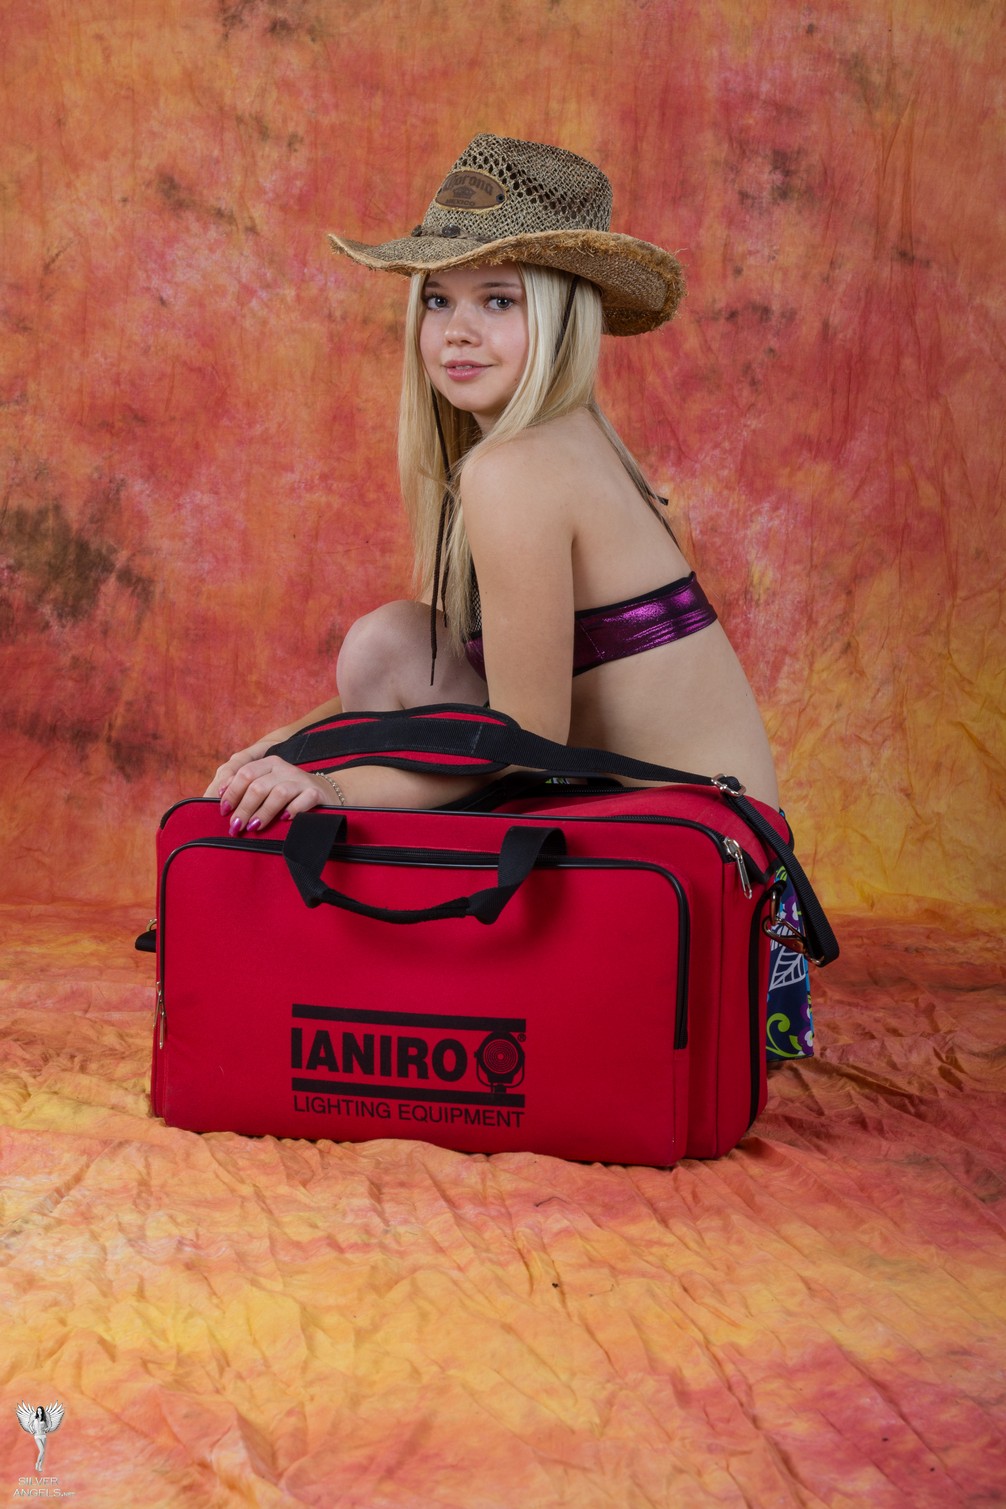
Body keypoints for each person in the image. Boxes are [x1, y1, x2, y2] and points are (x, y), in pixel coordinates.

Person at [205, 133, 811, 1057]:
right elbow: (487, 692)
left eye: (499, 300)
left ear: (564, 318)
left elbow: (520, 743)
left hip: (700, 882)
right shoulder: (566, 444)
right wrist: (288, 743)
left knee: (386, 710)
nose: (457, 330)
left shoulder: (516, 471)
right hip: (700, 842)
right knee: (392, 643)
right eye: (438, 299)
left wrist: (325, 785)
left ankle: (408, 960)